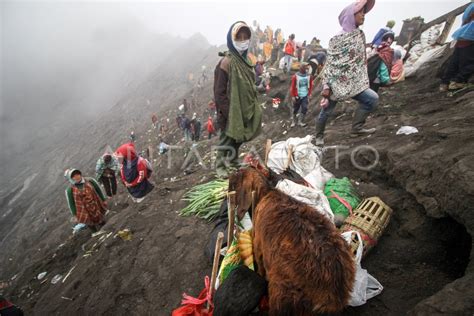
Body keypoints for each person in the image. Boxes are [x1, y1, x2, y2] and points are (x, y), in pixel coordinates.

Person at [317, 0, 378, 146]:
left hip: (354, 83)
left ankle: (357, 128)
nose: (363, 16)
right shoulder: (336, 40)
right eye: (360, 13)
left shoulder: (359, 36)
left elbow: (358, 61)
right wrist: (326, 86)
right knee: (326, 111)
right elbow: (331, 65)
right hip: (336, 83)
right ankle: (318, 136)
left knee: (372, 99)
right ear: (350, 16)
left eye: (364, 12)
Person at [213, 21, 262, 178]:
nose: (242, 41)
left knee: (238, 138)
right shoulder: (226, 63)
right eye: (238, 38)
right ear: (231, 39)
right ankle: (220, 166)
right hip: (229, 109)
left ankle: (233, 162)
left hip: (244, 108)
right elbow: (219, 92)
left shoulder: (246, 61)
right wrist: (229, 112)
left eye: (245, 37)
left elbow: (249, 84)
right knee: (226, 139)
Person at [440, 3, 474, 92]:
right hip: (470, 37)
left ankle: (444, 83)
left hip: (461, 36)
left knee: (454, 62)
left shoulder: (471, 6)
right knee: (469, 63)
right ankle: (457, 82)